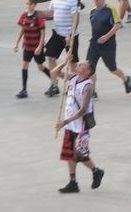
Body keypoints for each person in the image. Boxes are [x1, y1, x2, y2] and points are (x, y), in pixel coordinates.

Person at [52, 61, 104, 194]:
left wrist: (64, 122)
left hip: (81, 125)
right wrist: (64, 61)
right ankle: (72, 182)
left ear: (87, 72)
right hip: (70, 124)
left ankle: (96, 171)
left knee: (80, 153)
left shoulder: (87, 86)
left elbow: (83, 111)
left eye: (82, 65)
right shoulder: (73, 77)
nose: (79, 64)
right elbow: (54, 72)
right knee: (69, 153)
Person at [85, 0, 131, 93]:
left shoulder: (110, 10)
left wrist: (106, 36)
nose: (95, 1)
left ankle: (125, 79)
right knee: (90, 68)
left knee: (112, 68)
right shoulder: (92, 11)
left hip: (108, 45)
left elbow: (118, 25)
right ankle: (93, 91)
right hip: (94, 43)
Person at [42, 0, 81, 96]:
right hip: (57, 33)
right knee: (50, 56)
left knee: (72, 62)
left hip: (70, 36)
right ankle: (54, 84)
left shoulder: (73, 1)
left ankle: (73, 85)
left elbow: (75, 20)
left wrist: (70, 35)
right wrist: (36, 13)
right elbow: (50, 13)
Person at [13, 0, 50, 98]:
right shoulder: (23, 16)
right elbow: (22, 30)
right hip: (27, 46)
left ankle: (54, 81)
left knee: (40, 67)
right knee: (25, 65)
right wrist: (17, 43)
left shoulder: (38, 17)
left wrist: (40, 46)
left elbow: (43, 33)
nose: (29, 6)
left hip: (36, 47)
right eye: (27, 4)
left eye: (31, 4)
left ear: (35, 5)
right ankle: (24, 90)